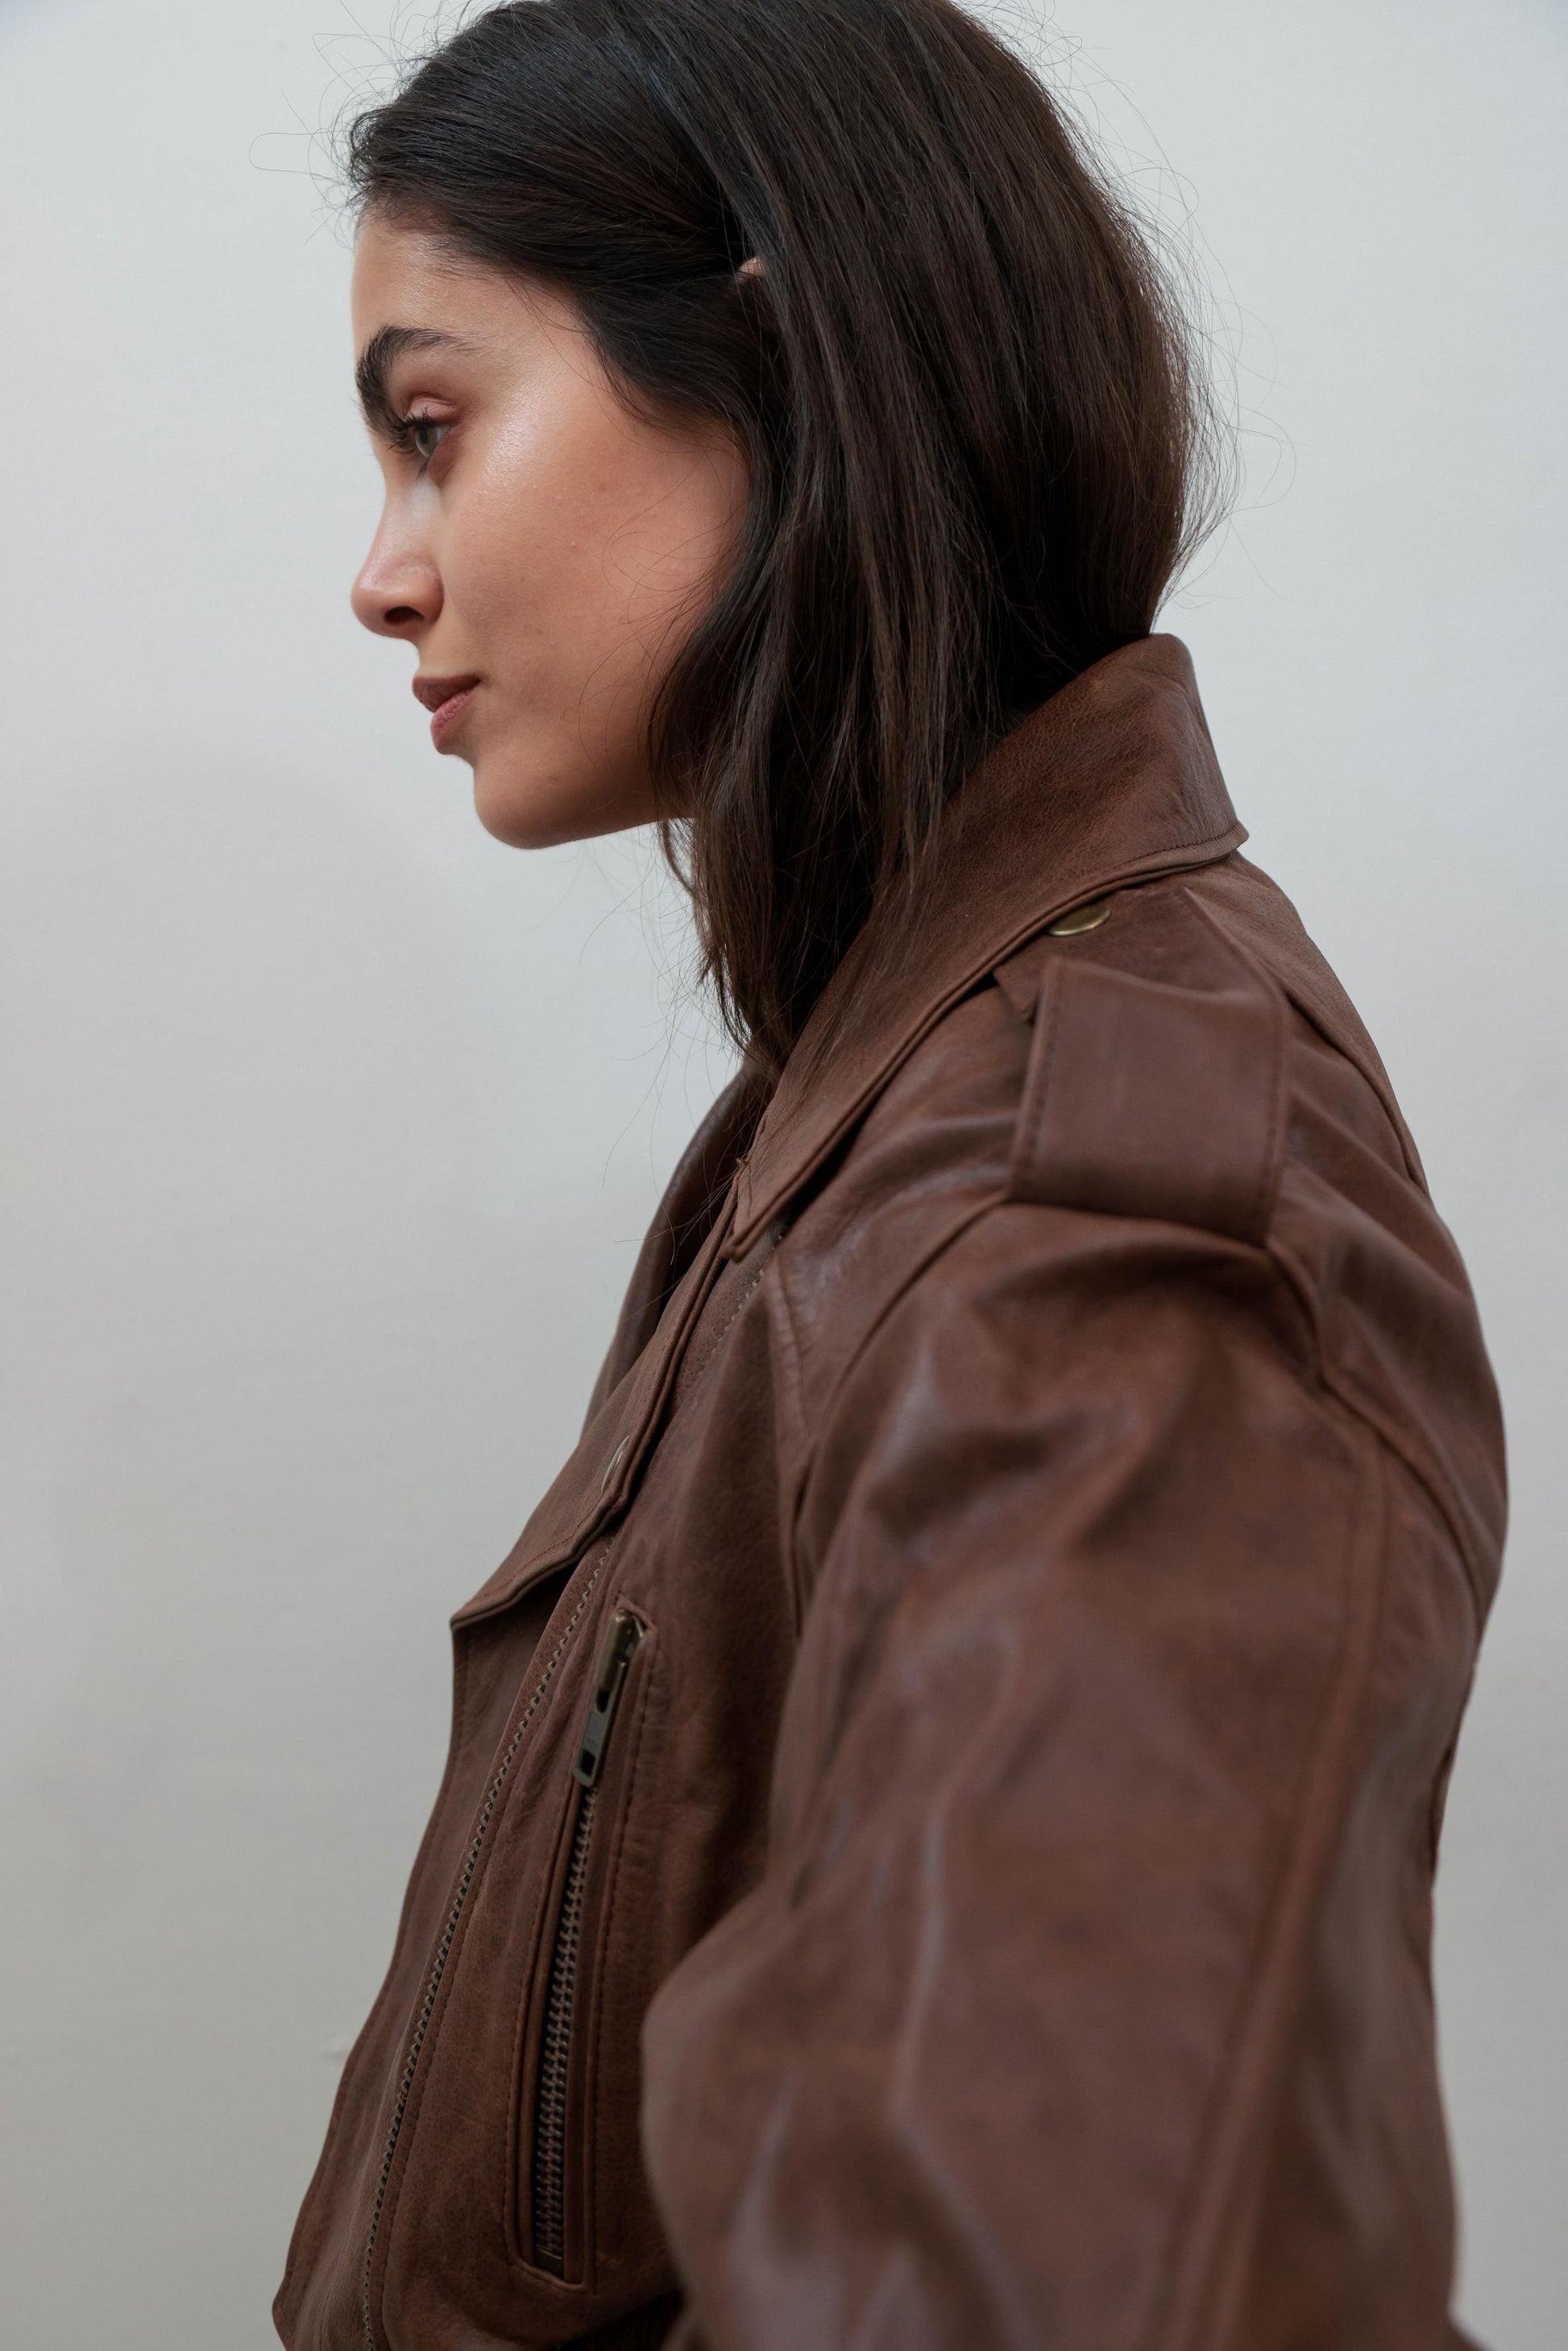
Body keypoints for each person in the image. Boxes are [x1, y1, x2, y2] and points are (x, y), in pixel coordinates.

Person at [275, 2, 1505, 2345]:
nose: (382, 574)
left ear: (782, 362)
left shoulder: (1078, 1193)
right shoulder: (891, 1078)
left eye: (432, 430)